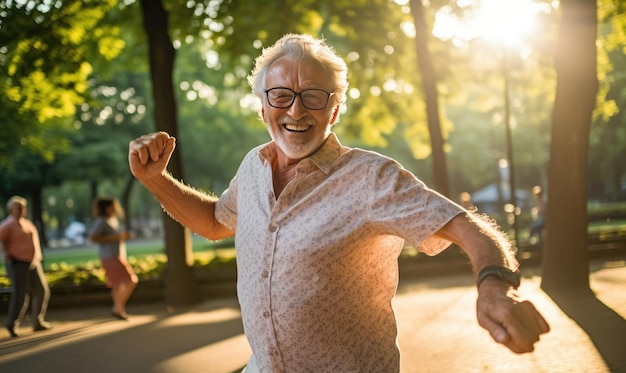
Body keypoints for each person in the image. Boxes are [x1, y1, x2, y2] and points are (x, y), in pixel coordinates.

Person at [128, 34, 550, 372]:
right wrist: (155, 179)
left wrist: (496, 288)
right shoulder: (253, 167)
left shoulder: (372, 178)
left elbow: (465, 226)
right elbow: (215, 222)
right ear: (262, 108)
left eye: (314, 96)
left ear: (334, 111)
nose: (296, 110)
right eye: (281, 95)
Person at [0, 196, 52, 337]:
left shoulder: (26, 223)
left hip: (33, 261)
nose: (22, 209)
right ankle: (12, 323)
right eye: (18, 207)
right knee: (20, 295)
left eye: (23, 207)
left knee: (41, 290)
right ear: (10, 209)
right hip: (18, 262)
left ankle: (37, 321)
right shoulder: (8, 225)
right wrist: (6, 253)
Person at [88, 197, 138, 320]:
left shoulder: (111, 220)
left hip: (115, 255)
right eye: (112, 206)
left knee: (117, 284)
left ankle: (119, 309)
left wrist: (120, 236)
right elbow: (93, 237)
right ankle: (117, 308)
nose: (115, 208)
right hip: (110, 256)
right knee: (131, 280)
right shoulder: (101, 221)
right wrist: (116, 237)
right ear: (106, 208)